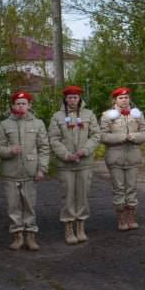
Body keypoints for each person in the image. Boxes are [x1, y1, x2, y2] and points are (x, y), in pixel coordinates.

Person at [0, 91, 50, 251]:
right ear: (13, 106)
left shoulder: (38, 123)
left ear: (29, 105)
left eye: (23, 103)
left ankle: (31, 235)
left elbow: (44, 148)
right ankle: (17, 235)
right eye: (17, 103)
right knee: (13, 206)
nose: (20, 106)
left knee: (29, 205)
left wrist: (42, 168)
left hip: (30, 171)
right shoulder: (4, 124)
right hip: (10, 172)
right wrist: (9, 151)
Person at [49, 85, 100, 244]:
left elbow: (96, 135)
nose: (72, 100)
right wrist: (66, 155)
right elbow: (53, 139)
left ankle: (81, 226)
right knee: (68, 195)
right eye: (69, 97)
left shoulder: (88, 114)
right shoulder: (57, 116)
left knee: (82, 195)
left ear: (79, 99)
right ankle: (69, 227)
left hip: (84, 163)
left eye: (75, 97)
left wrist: (85, 150)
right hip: (66, 164)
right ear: (65, 99)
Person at [101, 87, 145, 231]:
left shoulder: (137, 114)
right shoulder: (107, 115)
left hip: (133, 156)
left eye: (126, 97)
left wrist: (135, 137)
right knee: (119, 188)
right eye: (121, 98)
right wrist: (121, 137)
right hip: (115, 157)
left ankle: (131, 216)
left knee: (132, 188)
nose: (124, 100)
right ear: (115, 100)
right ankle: (121, 218)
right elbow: (102, 136)